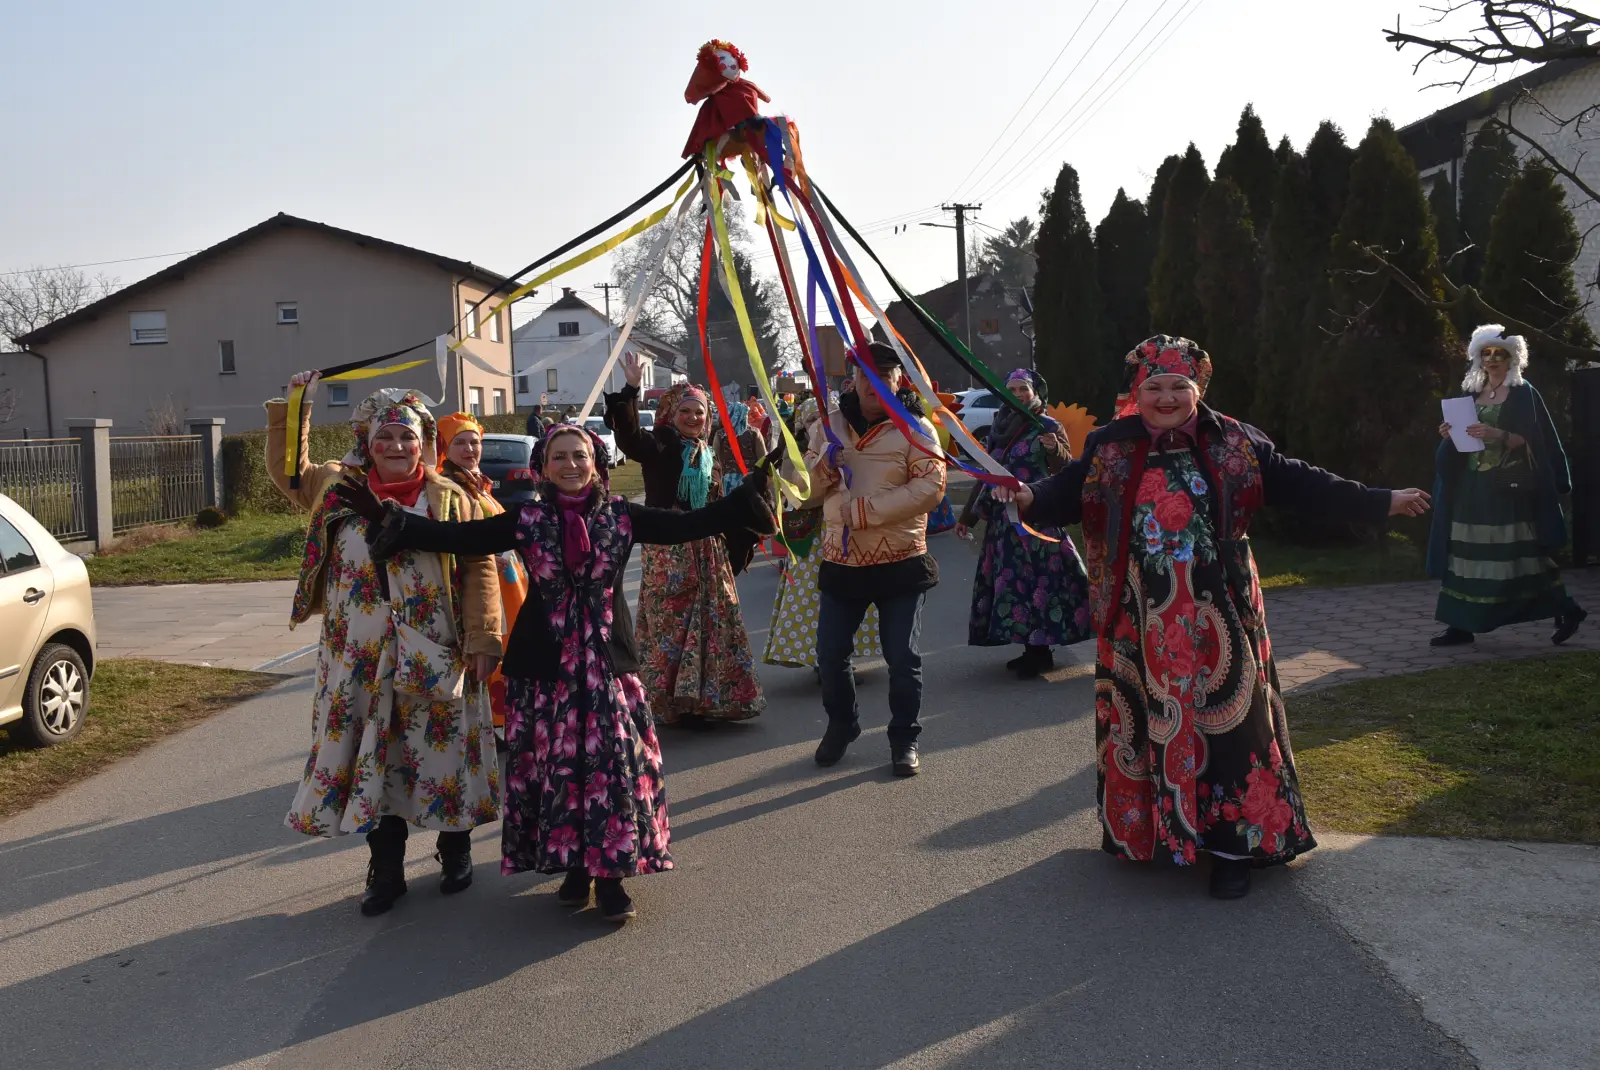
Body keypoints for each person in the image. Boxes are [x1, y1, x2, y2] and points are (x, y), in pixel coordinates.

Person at [998, 336, 1430, 898]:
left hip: (1220, 609)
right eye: (1154, 387)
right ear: (1137, 392)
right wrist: (1029, 496)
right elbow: (1067, 491)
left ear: (1198, 388)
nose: (1167, 398)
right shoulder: (1111, 446)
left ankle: (1233, 848)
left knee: (1232, 723)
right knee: (1147, 717)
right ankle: (1157, 834)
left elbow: (1303, 483)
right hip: (1139, 614)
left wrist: (1379, 500)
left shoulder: (1235, 440)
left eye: (1179, 386)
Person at [333, 425, 778, 922]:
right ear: (542, 467)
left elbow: (692, 524)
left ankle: (611, 878)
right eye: (559, 457)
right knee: (557, 774)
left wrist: (748, 493)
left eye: (579, 456)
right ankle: (576, 868)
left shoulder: (622, 516)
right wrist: (389, 518)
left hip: (607, 668)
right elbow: (459, 539)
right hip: (545, 673)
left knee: (612, 768)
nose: (571, 465)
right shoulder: (527, 519)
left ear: (596, 463)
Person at [267, 377, 504, 917]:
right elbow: (287, 470)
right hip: (358, 656)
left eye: (407, 437)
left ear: (425, 443)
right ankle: (387, 869)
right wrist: (296, 405)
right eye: (385, 437)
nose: (397, 446)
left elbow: (479, 566)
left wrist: (484, 637)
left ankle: (456, 849)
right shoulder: (336, 488)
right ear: (367, 442)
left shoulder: (450, 498)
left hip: (438, 646)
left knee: (444, 752)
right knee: (376, 759)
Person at [807, 342, 947, 776]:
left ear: (899, 381)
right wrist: (822, 467)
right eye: (866, 376)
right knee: (830, 656)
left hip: (900, 561)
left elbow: (931, 487)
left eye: (884, 375)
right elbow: (803, 491)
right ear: (853, 381)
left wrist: (866, 512)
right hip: (843, 561)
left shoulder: (916, 428)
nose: (875, 384)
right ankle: (842, 724)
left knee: (902, 658)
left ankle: (904, 738)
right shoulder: (828, 425)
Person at [605, 353, 766, 728]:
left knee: (713, 621)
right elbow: (630, 438)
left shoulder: (708, 452)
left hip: (707, 549)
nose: (693, 418)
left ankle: (707, 699)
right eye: (685, 411)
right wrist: (631, 388)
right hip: (669, 549)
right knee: (671, 625)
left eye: (700, 412)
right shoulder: (661, 443)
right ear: (670, 414)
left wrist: (742, 531)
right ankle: (673, 701)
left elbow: (716, 502)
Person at [1431, 325, 1587, 646]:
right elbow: (1460, 440)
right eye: (1485, 353)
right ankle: (1460, 625)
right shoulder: (1472, 391)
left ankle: (1567, 609)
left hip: (1506, 487)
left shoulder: (1522, 392)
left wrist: (1497, 434)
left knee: (1520, 554)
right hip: (1471, 487)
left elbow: (1532, 442)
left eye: (1498, 354)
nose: (1491, 359)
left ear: (1512, 357)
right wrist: (1449, 433)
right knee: (1463, 553)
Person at [956, 368, 1093, 678]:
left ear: (1036, 393)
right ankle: (1031, 649)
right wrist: (968, 517)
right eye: (1012, 389)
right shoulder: (998, 427)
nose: (1018, 395)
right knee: (1013, 586)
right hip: (1003, 525)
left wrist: (1054, 448)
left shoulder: (1048, 425)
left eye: (1024, 389)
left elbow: (1066, 471)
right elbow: (987, 474)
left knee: (1040, 583)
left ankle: (1040, 652)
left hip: (1037, 518)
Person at [763, 397, 884, 673]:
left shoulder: (848, 445)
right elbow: (795, 495)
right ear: (801, 426)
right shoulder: (794, 453)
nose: (818, 424)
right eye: (811, 420)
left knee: (850, 597)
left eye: (823, 418)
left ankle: (844, 656)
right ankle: (822, 659)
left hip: (844, 536)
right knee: (812, 599)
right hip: (810, 541)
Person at [437, 411, 531, 742]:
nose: (470, 449)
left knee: (509, 648)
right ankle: (494, 725)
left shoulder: (477, 482)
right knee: (491, 651)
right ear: (445, 448)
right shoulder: (449, 488)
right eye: (459, 443)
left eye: (474, 442)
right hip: (485, 588)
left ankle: (505, 721)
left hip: (507, 585)